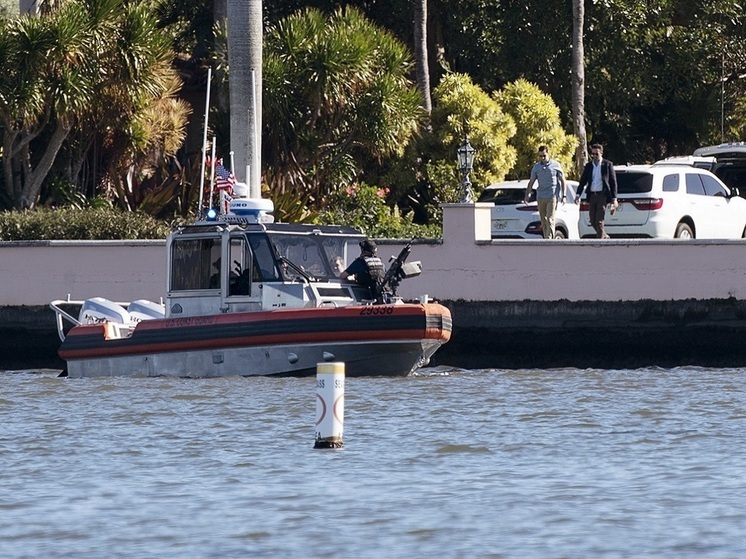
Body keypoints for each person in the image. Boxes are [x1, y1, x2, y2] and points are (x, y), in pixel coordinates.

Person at [575, 143, 618, 239]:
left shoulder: (607, 164)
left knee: (599, 221)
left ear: (601, 153)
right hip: (592, 196)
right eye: (593, 154)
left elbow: (613, 182)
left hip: (602, 196)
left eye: (596, 154)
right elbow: (583, 181)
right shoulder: (589, 166)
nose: (594, 156)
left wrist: (614, 198)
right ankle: (604, 236)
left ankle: (600, 241)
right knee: (592, 220)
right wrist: (578, 194)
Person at [524, 145, 567, 239]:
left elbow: (563, 180)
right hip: (540, 197)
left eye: (544, 156)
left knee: (550, 219)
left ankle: (550, 240)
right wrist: (527, 195)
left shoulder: (555, 165)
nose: (542, 158)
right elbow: (531, 182)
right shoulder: (536, 167)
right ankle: (545, 238)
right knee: (543, 221)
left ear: (548, 154)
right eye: (540, 156)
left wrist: (564, 195)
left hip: (552, 196)